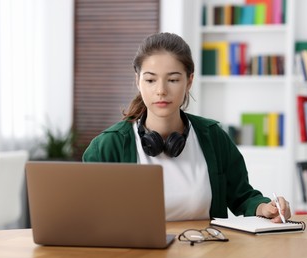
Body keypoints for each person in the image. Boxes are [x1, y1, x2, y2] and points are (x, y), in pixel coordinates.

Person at [82, 32, 291, 223]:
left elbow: (242, 197)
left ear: (189, 81)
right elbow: (88, 215)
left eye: (173, 79)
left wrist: (265, 208)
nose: (161, 90)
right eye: (150, 80)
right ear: (138, 81)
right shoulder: (107, 146)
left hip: (206, 250)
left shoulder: (213, 137)